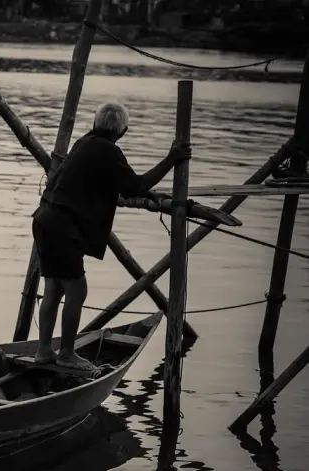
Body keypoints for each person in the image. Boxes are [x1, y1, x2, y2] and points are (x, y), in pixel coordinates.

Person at [31, 102, 191, 371]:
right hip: (62, 228)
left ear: (96, 124)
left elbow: (118, 184)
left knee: (54, 288)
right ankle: (66, 353)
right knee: (77, 289)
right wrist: (171, 159)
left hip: (45, 220)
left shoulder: (85, 142)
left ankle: (44, 351)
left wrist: (143, 191)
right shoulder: (108, 150)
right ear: (122, 131)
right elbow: (134, 186)